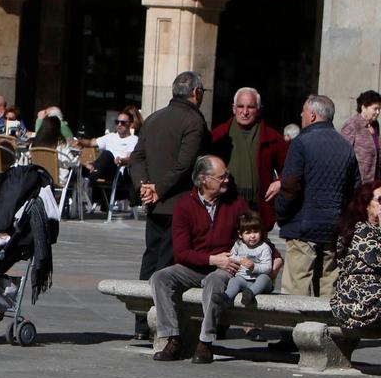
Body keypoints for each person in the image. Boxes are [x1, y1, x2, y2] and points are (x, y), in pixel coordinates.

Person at [148, 156, 263, 364]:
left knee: (214, 281)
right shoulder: (184, 205)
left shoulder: (235, 203)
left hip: (227, 264)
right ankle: (173, 338)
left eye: (227, 175)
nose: (227, 180)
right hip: (197, 264)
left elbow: (255, 232)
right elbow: (181, 253)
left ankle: (206, 342)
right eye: (221, 177)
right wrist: (212, 259)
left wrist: (273, 257)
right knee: (160, 277)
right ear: (204, 179)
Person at [126, 71, 210, 338]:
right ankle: (161, 324)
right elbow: (186, 165)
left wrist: (144, 187)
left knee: (151, 260)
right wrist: (158, 190)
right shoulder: (194, 121)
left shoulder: (153, 118)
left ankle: (142, 323)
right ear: (196, 92)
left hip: (155, 204)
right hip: (179, 206)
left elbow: (136, 158)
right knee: (169, 266)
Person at [275, 94, 360, 299]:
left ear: (312, 115)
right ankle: (326, 327)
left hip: (303, 226)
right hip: (333, 226)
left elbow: (290, 186)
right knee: (328, 284)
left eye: (303, 112)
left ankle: (297, 328)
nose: (301, 115)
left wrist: (281, 212)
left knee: (297, 286)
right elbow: (355, 189)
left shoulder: (301, 143)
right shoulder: (345, 146)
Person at [209, 88, 287, 236]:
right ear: (233, 108)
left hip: (258, 209)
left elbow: (290, 167)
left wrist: (280, 182)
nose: (245, 112)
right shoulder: (218, 135)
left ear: (259, 109)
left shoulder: (272, 137)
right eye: (240, 106)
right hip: (225, 206)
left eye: (250, 107)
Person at [330, 181, 381, 330]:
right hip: (358, 300)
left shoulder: (374, 230)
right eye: (380, 200)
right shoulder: (358, 231)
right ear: (366, 204)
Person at [225, 210, 277, 315]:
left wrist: (254, 267)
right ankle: (225, 297)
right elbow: (232, 256)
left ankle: (250, 293)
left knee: (264, 278)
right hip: (244, 279)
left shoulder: (264, 248)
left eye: (255, 232)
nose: (252, 236)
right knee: (234, 281)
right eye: (248, 233)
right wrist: (239, 260)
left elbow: (267, 268)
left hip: (259, 281)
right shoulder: (238, 245)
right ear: (240, 234)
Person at [339, 89, 381, 183]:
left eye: (379, 109)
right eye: (375, 108)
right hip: (357, 182)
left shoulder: (375, 125)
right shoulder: (352, 125)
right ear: (363, 107)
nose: (378, 112)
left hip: (373, 181)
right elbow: (343, 154)